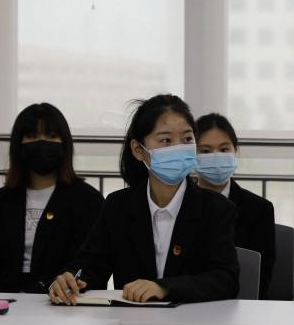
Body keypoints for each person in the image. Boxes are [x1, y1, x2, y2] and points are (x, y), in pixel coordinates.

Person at [49, 94, 239, 306]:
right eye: (166, 140)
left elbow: (225, 279)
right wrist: (69, 280)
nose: (178, 148)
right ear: (138, 150)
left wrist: (164, 288)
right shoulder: (118, 206)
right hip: (131, 322)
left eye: (187, 139)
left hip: (194, 323)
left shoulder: (216, 208)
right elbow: (90, 266)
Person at [0, 103, 104, 294]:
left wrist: (58, 285)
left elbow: (91, 261)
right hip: (2, 299)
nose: (42, 143)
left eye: (51, 136)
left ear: (65, 144)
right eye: (32, 136)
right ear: (18, 145)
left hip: (63, 299)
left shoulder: (88, 201)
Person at [194, 113, 276, 299]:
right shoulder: (180, 204)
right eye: (205, 151)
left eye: (224, 149)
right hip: (187, 304)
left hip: (242, 306)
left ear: (235, 150)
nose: (216, 157)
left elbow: (261, 279)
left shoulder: (259, 210)